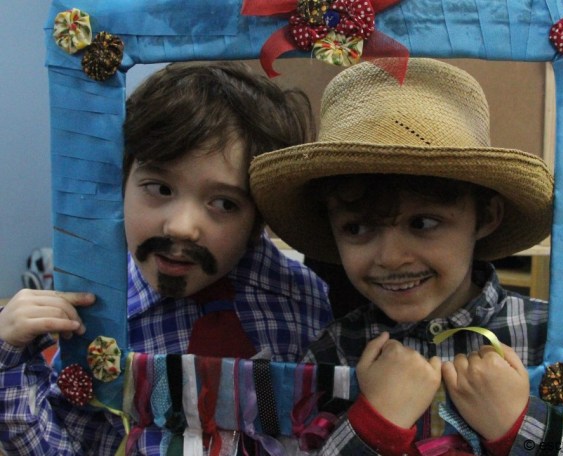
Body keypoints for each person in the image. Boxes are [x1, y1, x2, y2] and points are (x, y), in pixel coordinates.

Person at [250, 58, 563, 455]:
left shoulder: (554, 341)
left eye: (423, 223)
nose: (390, 257)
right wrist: (374, 425)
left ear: (486, 216)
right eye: (356, 229)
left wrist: (519, 427)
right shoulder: (331, 352)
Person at [0, 61, 332, 455]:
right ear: (120, 184)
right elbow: (67, 446)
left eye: (224, 203)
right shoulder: (93, 317)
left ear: (259, 217)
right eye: (159, 188)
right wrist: (8, 359)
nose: (181, 227)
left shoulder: (304, 301)